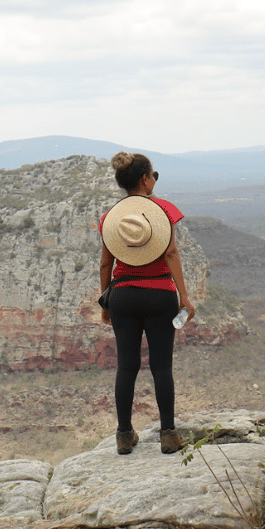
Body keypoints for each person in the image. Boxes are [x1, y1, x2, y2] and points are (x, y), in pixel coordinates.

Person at [98, 152, 195, 456]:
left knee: (126, 366)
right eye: (154, 175)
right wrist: (185, 297)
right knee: (161, 366)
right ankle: (168, 435)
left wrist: (105, 302)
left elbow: (105, 264)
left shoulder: (111, 218)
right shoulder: (163, 211)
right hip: (159, 296)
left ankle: (124, 435)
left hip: (123, 297)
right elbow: (171, 254)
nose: (155, 180)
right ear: (145, 179)